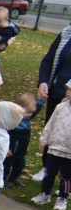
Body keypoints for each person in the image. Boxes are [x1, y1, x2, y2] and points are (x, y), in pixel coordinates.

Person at [35, 22, 71, 182]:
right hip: (57, 93)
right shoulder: (66, 33)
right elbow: (48, 60)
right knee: (53, 130)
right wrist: (44, 81)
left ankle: (66, 178)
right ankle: (47, 168)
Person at [31, 80, 71, 210]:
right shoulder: (60, 107)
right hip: (55, 148)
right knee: (49, 173)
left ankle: (62, 198)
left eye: (70, 90)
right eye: (67, 89)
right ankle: (45, 194)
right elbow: (50, 124)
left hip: (69, 152)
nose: (67, 92)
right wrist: (44, 140)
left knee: (66, 177)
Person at [3, 93, 37, 188]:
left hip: (21, 149)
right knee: (6, 165)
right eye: (28, 112)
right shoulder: (13, 122)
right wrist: (6, 147)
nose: (30, 115)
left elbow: (35, 110)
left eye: (31, 113)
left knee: (20, 165)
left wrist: (40, 101)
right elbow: (5, 135)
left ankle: (14, 178)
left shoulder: (26, 120)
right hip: (11, 150)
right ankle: (2, 178)